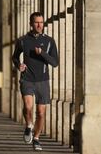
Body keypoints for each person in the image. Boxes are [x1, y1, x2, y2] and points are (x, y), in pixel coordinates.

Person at [12, 12, 59, 151]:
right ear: (31, 24)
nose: (39, 25)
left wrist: (42, 53)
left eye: (41, 22)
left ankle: (37, 138)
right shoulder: (22, 40)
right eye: (36, 22)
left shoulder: (50, 41)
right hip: (27, 79)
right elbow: (15, 57)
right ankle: (28, 126)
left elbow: (55, 63)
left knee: (41, 113)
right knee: (28, 107)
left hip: (43, 81)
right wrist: (18, 65)